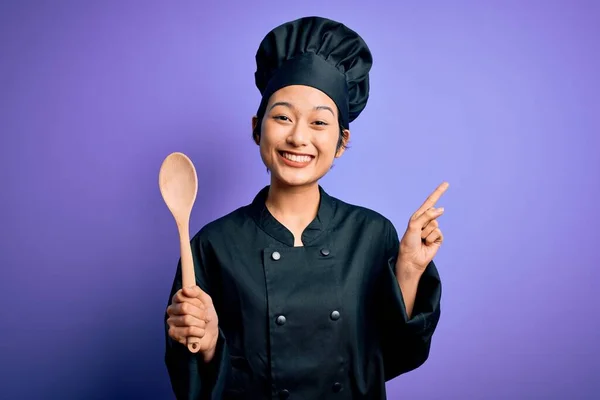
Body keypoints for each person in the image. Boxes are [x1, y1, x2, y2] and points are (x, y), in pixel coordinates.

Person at [164, 16, 447, 400]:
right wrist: (210, 344)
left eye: (318, 122)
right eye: (282, 117)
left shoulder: (372, 234)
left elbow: (396, 356)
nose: (298, 137)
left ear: (342, 141)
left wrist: (410, 271)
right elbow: (192, 380)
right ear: (256, 127)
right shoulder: (211, 245)